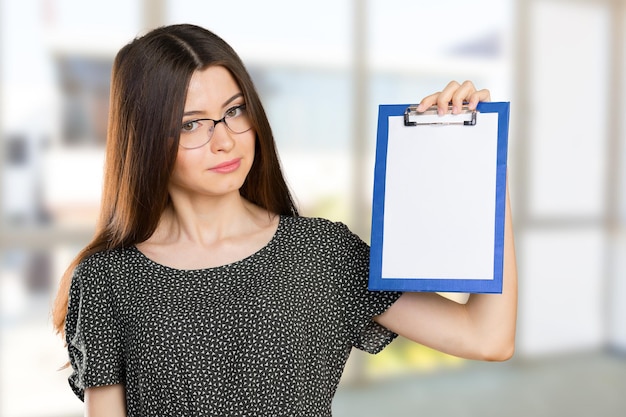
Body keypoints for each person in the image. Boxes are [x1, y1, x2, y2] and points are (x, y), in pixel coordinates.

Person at [51, 23, 517, 417]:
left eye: (235, 111)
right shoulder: (107, 280)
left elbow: (487, 336)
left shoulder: (322, 254)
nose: (225, 140)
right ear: (148, 138)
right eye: (192, 123)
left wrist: (482, 161)